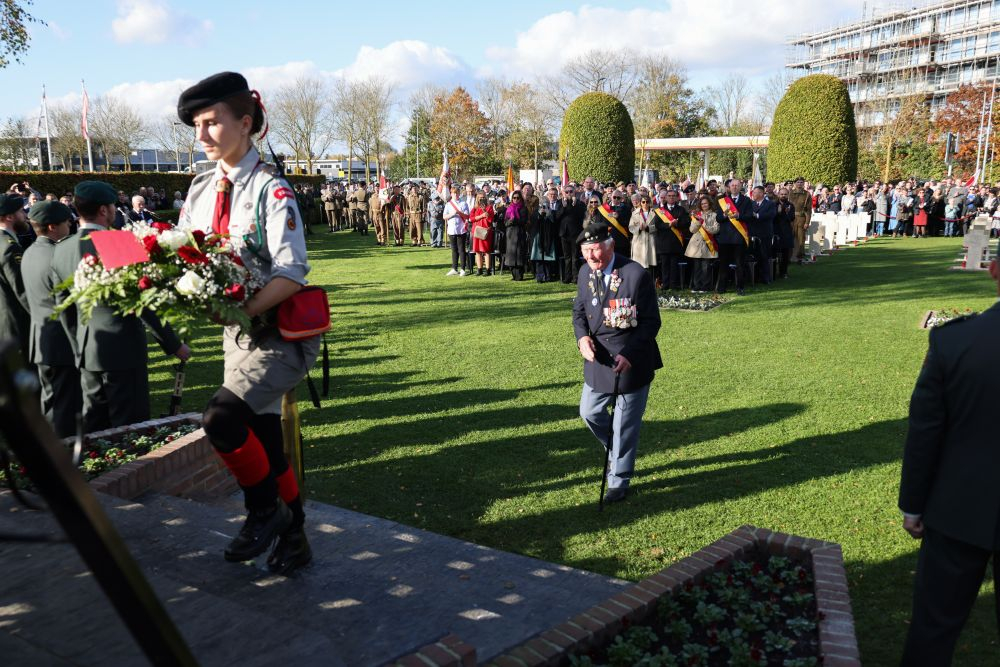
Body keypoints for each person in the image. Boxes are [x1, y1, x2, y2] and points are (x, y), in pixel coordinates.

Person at [176, 71, 317, 573]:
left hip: (278, 335)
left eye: (211, 122)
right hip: (236, 337)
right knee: (265, 440)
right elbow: (183, 255)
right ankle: (295, 537)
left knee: (220, 419)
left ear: (246, 121)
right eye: (196, 125)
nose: (202, 135)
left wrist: (244, 309)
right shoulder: (199, 190)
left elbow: (292, 273)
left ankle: (264, 512)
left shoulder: (271, 190)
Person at [898, 259, 1000, 665]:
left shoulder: (956, 341)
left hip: (959, 505)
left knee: (934, 627)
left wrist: (913, 505)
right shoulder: (952, 341)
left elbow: (926, 433)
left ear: (993, 270)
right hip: (960, 508)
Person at [52, 181, 191, 433]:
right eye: (114, 205)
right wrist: (174, 344)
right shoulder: (119, 241)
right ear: (104, 210)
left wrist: (78, 346)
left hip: (87, 352)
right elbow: (145, 303)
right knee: (130, 428)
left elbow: (63, 308)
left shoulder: (61, 250)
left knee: (96, 429)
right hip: (124, 351)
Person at [573, 222, 662, 503]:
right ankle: (617, 450)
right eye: (586, 251)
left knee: (624, 425)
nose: (591, 257)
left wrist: (630, 354)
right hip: (599, 359)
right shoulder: (585, 272)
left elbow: (650, 323)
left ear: (610, 246)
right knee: (589, 412)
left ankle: (618, 480)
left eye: (595, 250)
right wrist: (582, 339)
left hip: (630, 360)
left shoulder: (635, 275)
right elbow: (578, 312)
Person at [22, 201, 81, 437]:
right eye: (67, 222)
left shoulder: (29, 252)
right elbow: (66, 304)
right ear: (51, 227)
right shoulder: (56, 256)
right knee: (64, 409)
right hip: (62, 344)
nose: (70, 225)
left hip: (42, 341)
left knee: (52, 403)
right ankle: (61, 462)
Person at [0, 193, 31, 361]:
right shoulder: (9, 247)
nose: (25, 215)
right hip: (15, 329)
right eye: (21, 211)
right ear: (10, 217)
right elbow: (22, 291)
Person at [716, 178, 752, 295]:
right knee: (723, 264)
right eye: (733, 185)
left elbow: (749, 216)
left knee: (740, 264)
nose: (735, 187)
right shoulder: (722, 201)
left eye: (737, 185)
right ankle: (722, 287)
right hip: (725, 238)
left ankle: (740, 287)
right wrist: (724, 215)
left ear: (741, 187)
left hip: (739, 238)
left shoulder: (746, 200)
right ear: (729, 187)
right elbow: (718, 219)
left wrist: (739, 216)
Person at [650, 188, 689, 290]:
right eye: (669, 196)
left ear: (676, 198)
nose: (671, 198)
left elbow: (686, 222)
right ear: (666, 198)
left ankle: (673, 285)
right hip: (663, 243)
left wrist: (677, 224)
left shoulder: (681, 209)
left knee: (674, 266)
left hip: (676, 242)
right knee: (664, 265)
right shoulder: (660, 211)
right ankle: (665, 285)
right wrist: (669, 225)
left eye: (673, 196)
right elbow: (657, 225)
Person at [685, 196, 720, 292]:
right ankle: (696, 286)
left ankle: (705, 287)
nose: (704, 205)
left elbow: (715, 230)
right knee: (696, 267)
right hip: (696, 244)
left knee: (706, 267)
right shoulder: (697, 214)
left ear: (709, 204)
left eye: (706, 203)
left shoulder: (714, 215)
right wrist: (697, 221)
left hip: (708, 243)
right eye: (702, 203)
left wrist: (703, 223)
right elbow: (692, 230)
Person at [557, 184, 585, 284]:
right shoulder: (560, 203)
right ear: (564, 193)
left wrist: (575, 204)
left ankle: (575, 277)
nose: (569, 193)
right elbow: (557, 217)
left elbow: (581, 215)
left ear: (574, 192)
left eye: (571, 191)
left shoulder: (579, 203)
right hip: (564, 233)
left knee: (575, 257)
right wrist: (564, 207)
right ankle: (567, 277)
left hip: (575, 233)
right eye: (567, 191)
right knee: (567, 257)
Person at [530, 187, 560, 282]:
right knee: (539, 257)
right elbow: (533, 222)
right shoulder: (535, 212)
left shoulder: (552, 212)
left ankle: (548, 276)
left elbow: (553, 223)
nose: (543, 207)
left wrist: (547, 215)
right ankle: (539, 276)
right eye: (542, 205)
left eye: (545, 204)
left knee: (548, 258)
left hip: (548, 238)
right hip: (538, 237)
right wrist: (539, 215)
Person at [749, 185, 777, 285]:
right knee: (753, 255)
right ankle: (753, 277)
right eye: (753, 192)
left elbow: (771, 215)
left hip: (765, 234)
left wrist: (757, 215)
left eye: (756, 192)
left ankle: (766, 278)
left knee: (764, 256)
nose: (754, 194)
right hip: (752, 234)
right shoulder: (750, 204)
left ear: (761, 193)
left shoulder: (770, 204)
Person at [628, 193, 657, 280]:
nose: (645, 204)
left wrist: (648, 228)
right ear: (640, 202)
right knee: (639, 263)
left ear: (650, 203)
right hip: (638, 241)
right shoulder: (635, 213)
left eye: (647, 202)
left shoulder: (654, 213)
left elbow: (657, 226)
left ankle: (650, 282)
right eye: (643, 202)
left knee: (649, 264)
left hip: (650, 240)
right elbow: (630, 227)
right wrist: (639, 228)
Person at [443, 186, 470, 276]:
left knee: (461, 249)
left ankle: (462, 268)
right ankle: (454, 268)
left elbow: (467, 216)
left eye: (457, 193)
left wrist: (459, 213)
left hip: (461, 229)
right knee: (454, 250)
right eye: (454, 193)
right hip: (451, 230)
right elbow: (444, 216)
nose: (455, 195)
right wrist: (452, 214)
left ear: (459, 193)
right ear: (451, 194)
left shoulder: (464, 203)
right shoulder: (448, 204)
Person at [504, 191, 529, 281]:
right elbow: (505, 222)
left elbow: (524, 221)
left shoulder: (523, 208)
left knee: (519, 255)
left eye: (518, 198)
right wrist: (510, 221)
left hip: (519, 233)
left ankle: (519, 275)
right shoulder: (509, 208)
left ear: (520, 199)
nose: (516, 199)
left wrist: (514, 220)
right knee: (511, 255)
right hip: (510, 234)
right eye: (514, 198)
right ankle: (513, 274)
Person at [773, 188, 795, 280]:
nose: (783, 196)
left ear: (788, 195)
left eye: (785, 194)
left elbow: (791, 218)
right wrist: (777, 212)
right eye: (781, 194)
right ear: (778, 194)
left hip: (786, 232)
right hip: (775, 232)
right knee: (774, 254)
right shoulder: (773, 204)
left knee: (785, 254)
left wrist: (785, 212)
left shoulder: (791, 206)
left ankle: (784, 272)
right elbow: (772, 218)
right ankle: (773, 273)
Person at [470, 193, 494, 275]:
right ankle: (479, 269)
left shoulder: (489, 207)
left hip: (485, 232)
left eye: (483, 197)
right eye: (480, 198)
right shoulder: (475, 208)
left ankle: (488, 270)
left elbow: (490, 219)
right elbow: (471, 218)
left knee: (486, 251)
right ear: (477, 199)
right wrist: (481, 216)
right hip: (476, 232)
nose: (481, 199)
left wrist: (484, 210)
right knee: (477, 251)